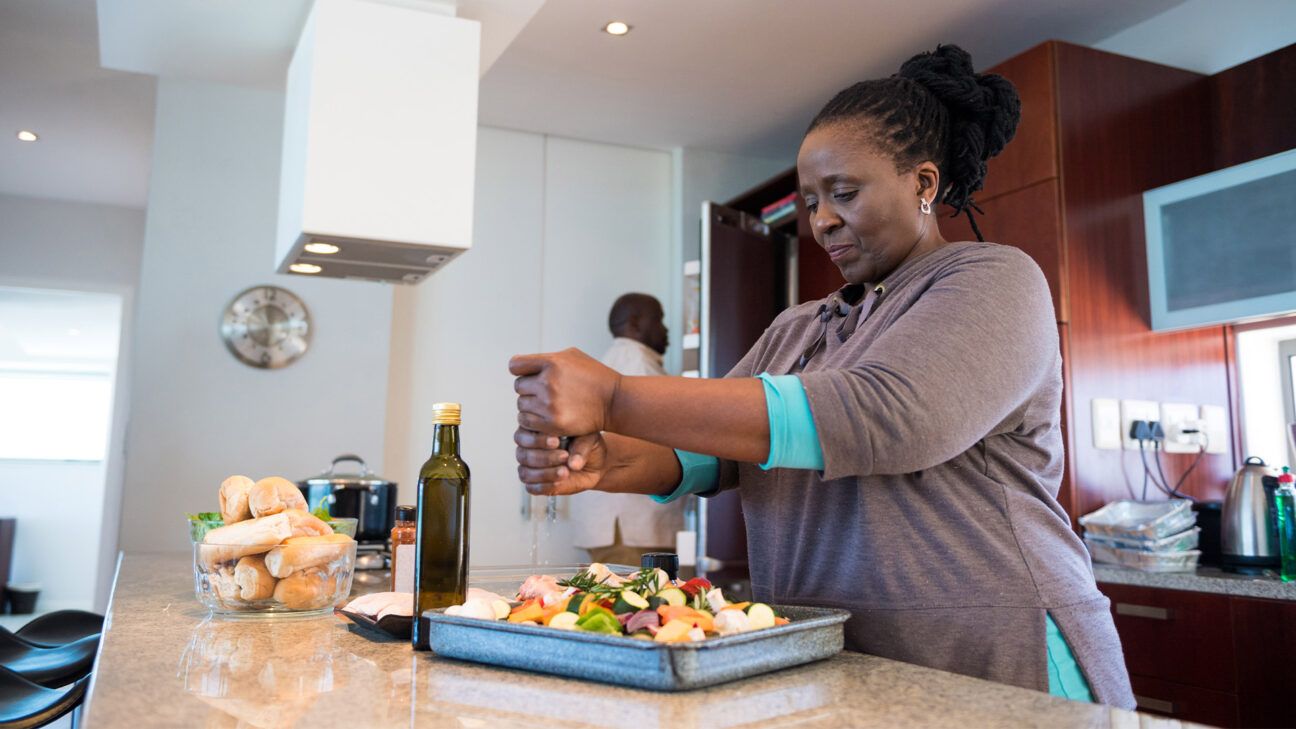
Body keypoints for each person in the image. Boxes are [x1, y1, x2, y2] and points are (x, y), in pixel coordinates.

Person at [508, 44, 1134, 708]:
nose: (822, 219)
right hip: (833, 664)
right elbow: (708, 452)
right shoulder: (798, 327)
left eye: (844, 193)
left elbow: (888, 415)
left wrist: (615, 395)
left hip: (996, 660)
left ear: (924, 184)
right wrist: (605, 461)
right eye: (811, 200)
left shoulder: (993, 282)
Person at [569, 293, 684, 565]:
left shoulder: (602, 366)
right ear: (634, 323)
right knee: (638, 603)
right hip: (631, 526)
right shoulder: (639, 368)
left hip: (611, 523)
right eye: (659, 320)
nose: (665, 329)